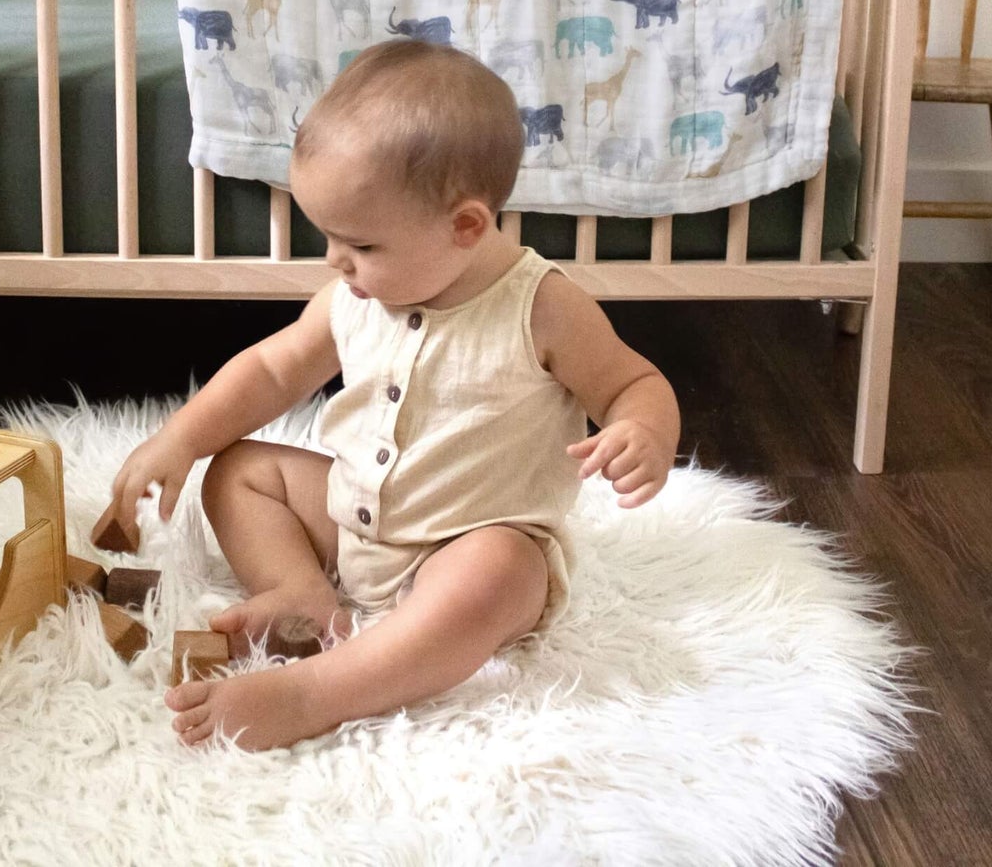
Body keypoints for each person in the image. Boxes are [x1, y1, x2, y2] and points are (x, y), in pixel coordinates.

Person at [100, 40, 680, 750]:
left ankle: (323, 690)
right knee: (240, 469)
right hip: (355, 521)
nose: (335, 261)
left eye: (361, 245)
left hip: (466, 542)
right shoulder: (355, 294)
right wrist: (183, 438)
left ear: (464, 225)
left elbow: (634, 382)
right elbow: (273, 369)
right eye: (329, 238)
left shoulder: (540, 306)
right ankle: (295, 590)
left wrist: (642, 430)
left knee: (499, 572)